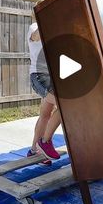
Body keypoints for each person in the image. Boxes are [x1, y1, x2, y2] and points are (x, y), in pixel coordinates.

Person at [27, 17, 61, 163]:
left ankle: (34, 150)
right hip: (39, 76)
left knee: (45, 114)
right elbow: (35, 36)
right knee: (65, 106)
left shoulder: (54, 31)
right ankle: (45, 141)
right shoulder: (35, 27)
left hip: (52, 77)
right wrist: (47, 18)